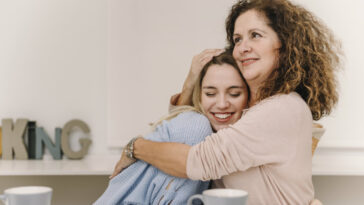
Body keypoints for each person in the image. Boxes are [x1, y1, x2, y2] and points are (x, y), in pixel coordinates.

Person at [111, 0, 342, 204]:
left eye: (256, 35)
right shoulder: (246, 110)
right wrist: (191, 83)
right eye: (237, 39)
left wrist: (135, 147)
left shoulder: (283, 108)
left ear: (283, 45)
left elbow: (197, 161)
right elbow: (185, 131)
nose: (243, 47)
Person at [94, 52, 249, 205]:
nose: (222, 104)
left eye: (234, 94)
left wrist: (134, 146)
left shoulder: (232, 137)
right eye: (210, 93)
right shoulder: (196, 126)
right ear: (200, 95)